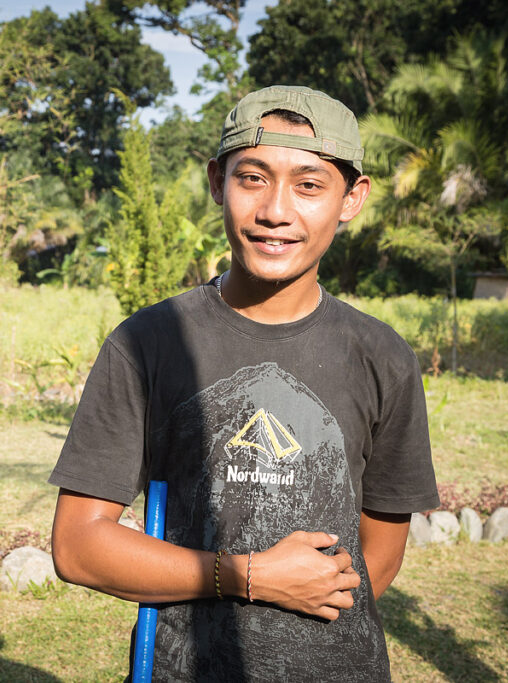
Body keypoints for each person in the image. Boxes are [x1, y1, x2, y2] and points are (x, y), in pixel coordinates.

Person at [48, 85, 439, 681]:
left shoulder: (381, 357)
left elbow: (378, 556)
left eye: (309, 185)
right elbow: (79, 546)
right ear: (217, 183)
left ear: (352, 198)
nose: (275, 210)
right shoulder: (148, 344)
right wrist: (249, 576)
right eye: (252, 178)